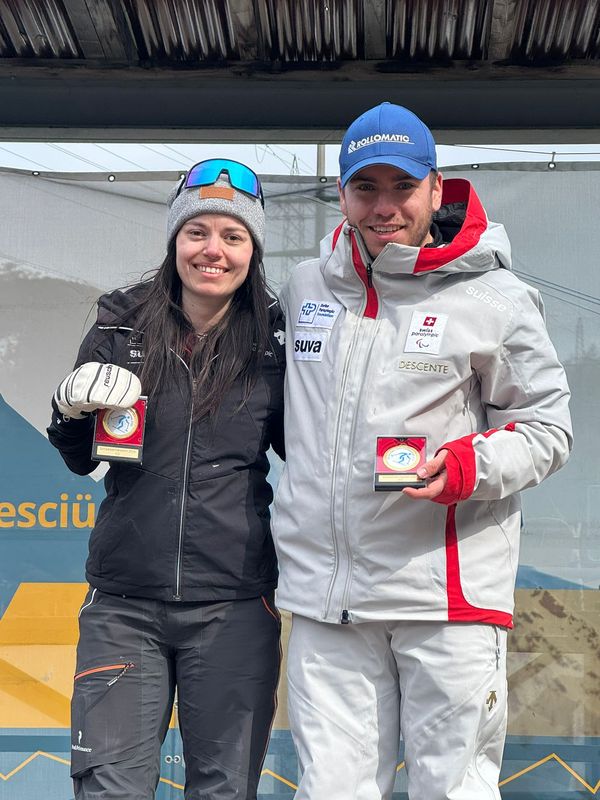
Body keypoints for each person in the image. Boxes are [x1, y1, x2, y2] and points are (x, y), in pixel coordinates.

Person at [272, 102, 572, 799]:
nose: (384, 207)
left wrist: (468, 466)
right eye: (366, 187)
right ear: (342, 194)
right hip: (327, 603)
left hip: (445, 600)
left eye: (402, 187)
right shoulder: (306, 287)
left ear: (436, 190)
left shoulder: (496, 295)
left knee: (452, 790)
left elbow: (547, 428)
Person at [47, 159, 285, 800]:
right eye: (196, 232)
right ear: (175, 239)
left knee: (223, 790)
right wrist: (68, 407)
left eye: (233, 236)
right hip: (125, 606)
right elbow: (80, 454)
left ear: (253, 249)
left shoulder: (276, 337)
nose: (213, 250)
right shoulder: (119, 324)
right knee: (111, 790)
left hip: (234, 605)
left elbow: (308, 447)